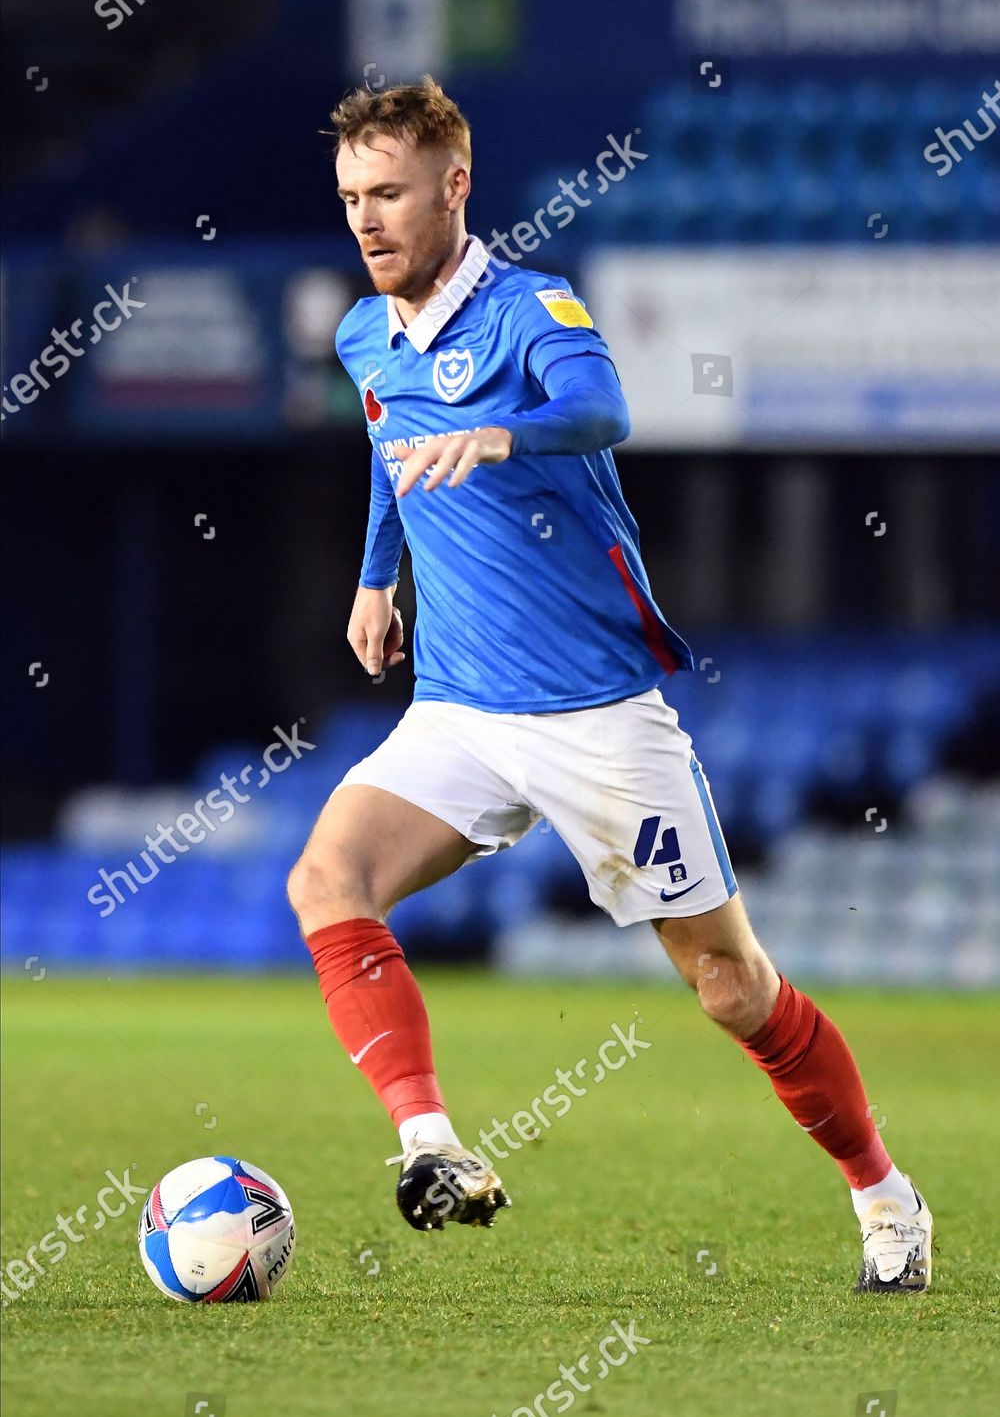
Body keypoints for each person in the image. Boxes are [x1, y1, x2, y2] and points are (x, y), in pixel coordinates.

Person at [287, 76, 932, 1292]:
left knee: (732, 990)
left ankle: (885, 1196)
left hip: (597, 719)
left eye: (388, 194)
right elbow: (385, 443)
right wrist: (378, 579)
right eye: (350, 199)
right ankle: (430, 1147)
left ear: (454, 187)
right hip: (462, 710)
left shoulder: (535, 309)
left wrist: (504, 432)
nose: (366, 221)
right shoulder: (363, 333)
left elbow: (601, 407)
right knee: (328, 880)